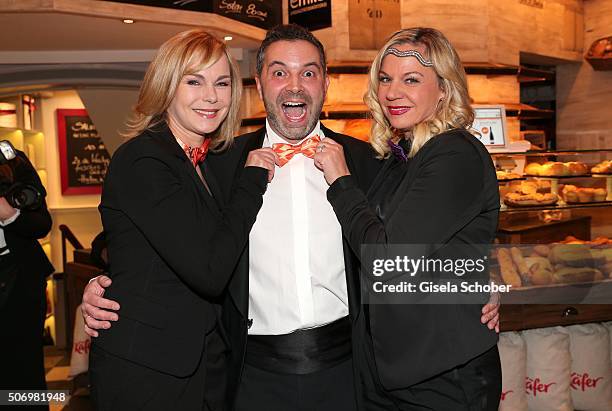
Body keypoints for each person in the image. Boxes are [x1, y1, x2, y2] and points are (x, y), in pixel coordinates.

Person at [82, 25, 501, 411]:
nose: (295, 86)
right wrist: (101, 284)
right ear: (259, 82)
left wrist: (477, 279)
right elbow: (157, 239)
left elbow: (431, 230)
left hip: (352, 373)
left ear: (325, 84)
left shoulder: (369, 161)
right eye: (280, 73)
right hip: (249, 376)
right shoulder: (220, 164)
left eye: (309, 73)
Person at [86, 29, 275, 411]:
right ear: (167, 85)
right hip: (148, 370)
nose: (211, 96)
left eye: (222, 83)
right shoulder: (144, 160)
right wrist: (253, 180)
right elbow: (208, 269)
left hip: (207, 362)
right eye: (194, 81)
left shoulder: (207, 160)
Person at [314, 27, 502, 410]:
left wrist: (341, 182)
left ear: (444, 89)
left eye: (411, 79)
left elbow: (388, 257)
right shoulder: (402, 154)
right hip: (389, 368)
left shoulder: (454, 155)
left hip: (442, 374)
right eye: (385, 78)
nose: (392, 92)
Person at [0, 150, 53, 411]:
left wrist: (9, 214)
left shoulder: (11, 159)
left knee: (24, 381)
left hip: (20, 285)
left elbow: (42, 224)